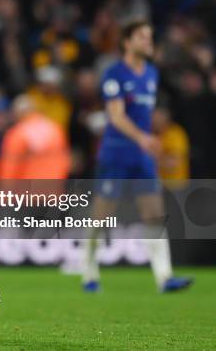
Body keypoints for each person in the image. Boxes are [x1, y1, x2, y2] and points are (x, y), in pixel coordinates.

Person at [82, 20, 193, 293]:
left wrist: (148, 141)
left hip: (142, 156)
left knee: (154, 214)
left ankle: (165, 277)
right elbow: (116, 116)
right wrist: (143, 137)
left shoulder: (151, 73)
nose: (148, 42)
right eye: (142, 37)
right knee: (102, 217)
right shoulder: (114, 73)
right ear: (127, 42)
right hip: (116, 153)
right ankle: (89, 272)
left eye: (150, 37)